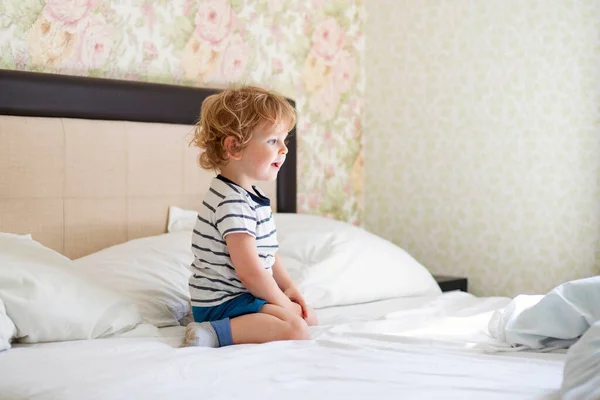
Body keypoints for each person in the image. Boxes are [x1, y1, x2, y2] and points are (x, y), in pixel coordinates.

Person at [183, 85, 318, 348]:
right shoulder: (231, 202)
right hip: (223, 303)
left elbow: (266, 254)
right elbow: (250, 273)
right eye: (272, 141)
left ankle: (230, 326)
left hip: (243, 298)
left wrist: (288, 288)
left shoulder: (249, 195)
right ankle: (212, 332)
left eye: (285, 140)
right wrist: (281, 302)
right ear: (234, 147)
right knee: (296, 330)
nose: (284, 149)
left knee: (307, 318)